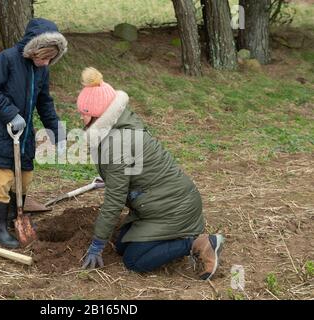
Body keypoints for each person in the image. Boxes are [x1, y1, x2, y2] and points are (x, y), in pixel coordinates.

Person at [77, 67, 224, 280]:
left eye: (85, 113)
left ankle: (196, 243)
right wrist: (110, 177)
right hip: (160, 203)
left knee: (134, 261)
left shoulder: (118, 142)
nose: (81, 117)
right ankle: (178, 237)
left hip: (174, 209)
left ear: (99, 115)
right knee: (120, 245)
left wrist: (98, 243)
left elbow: (114, 200)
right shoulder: (119, 125)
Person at [0, 18, 68, 249]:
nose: (46, 62)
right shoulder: (8, 59)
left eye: (50, 59)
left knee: (24, 178)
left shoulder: (42, 70)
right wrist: (11, 114)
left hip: (23, 137)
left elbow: (44, 102)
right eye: (43, 57)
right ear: (34, 49)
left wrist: (57, 132)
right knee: (3, 180)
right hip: (1, 132)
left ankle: (16, 218)